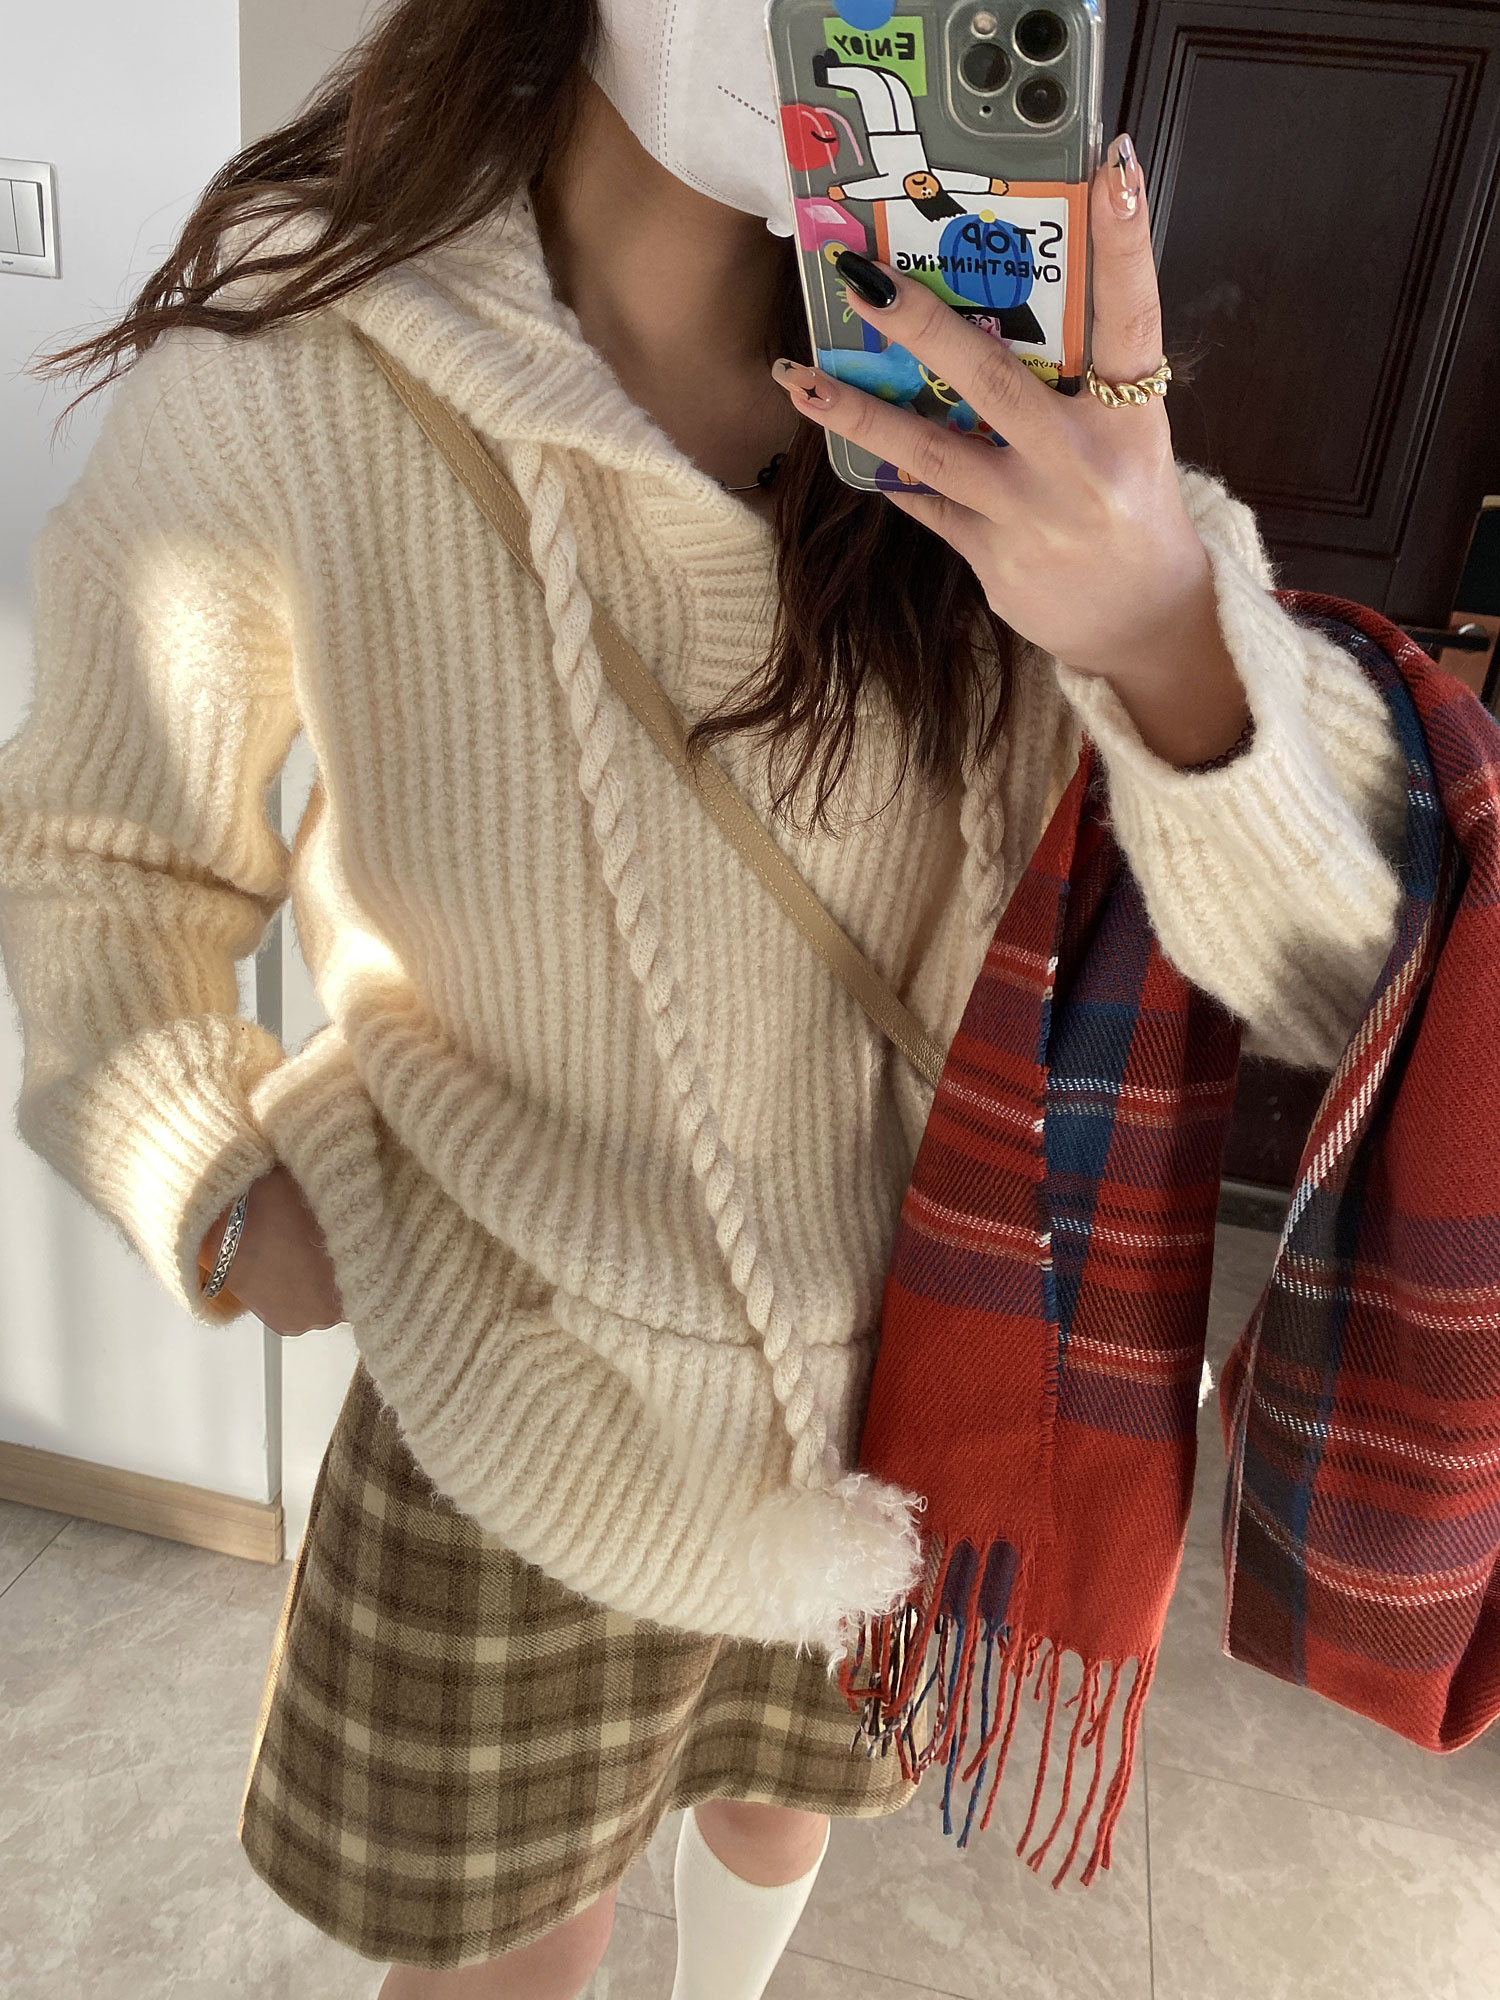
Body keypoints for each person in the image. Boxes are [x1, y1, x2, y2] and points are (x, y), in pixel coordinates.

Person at [0, 2, 1407, 1995]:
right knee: (508, 1954)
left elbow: (1332, 963)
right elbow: (100, 854)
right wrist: (209, 1178)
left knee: (777, 1809)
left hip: (897, 1400)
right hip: (509, 1402)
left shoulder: (1018, 387)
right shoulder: (306, 362)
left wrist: (1162, 620)